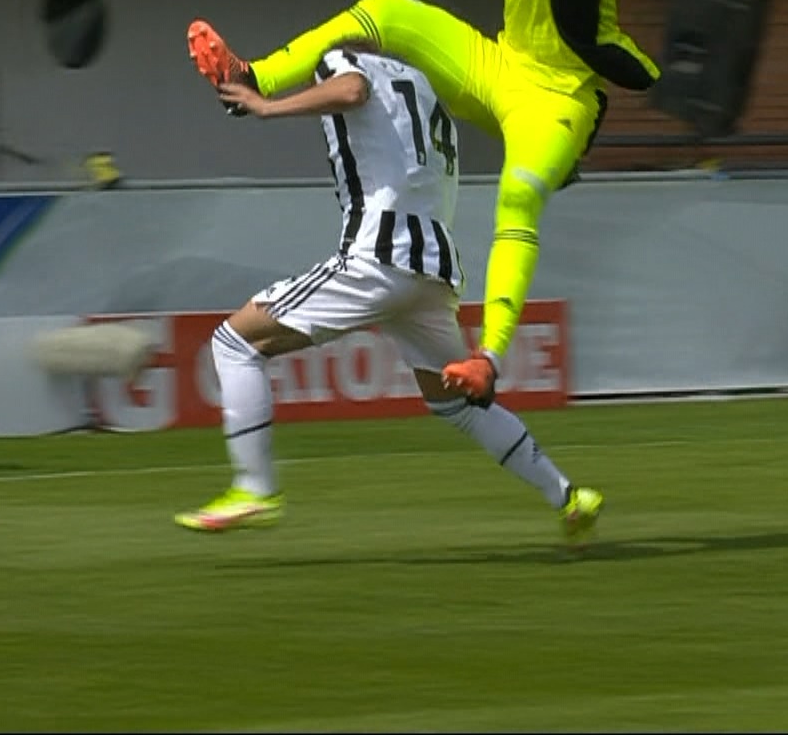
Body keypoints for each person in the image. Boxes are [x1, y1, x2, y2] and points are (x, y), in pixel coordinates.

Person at [186, 0, 657, 405]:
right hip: (499, 68)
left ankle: (488, 357)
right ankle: (254, 78)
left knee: (517, 195)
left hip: (559, 100)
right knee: (387, 8)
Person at [180, 45, 604, 542]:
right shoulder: (429, 83)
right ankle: (568, 496)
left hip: (379, 253)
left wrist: (268, 105)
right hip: (433, 266)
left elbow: (352, 88)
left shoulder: (337, 56)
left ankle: (255, 488)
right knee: (458, 404)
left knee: (233, 343)